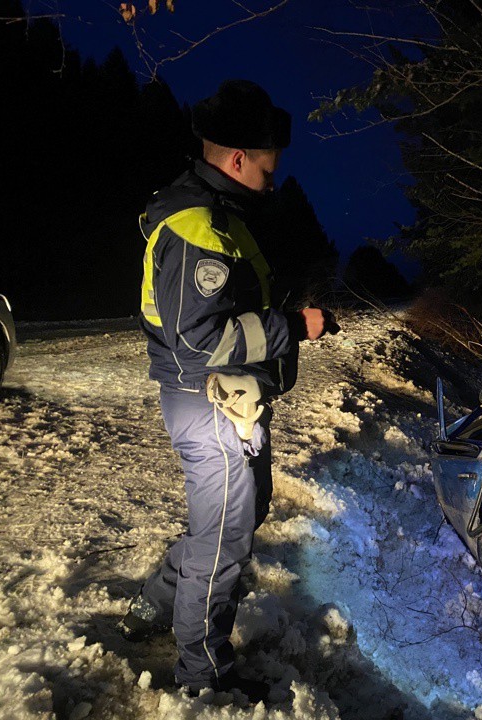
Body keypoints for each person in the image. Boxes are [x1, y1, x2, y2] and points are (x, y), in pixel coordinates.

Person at [119, 79, 332, 703]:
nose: (273, 176)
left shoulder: (212, 213)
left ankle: (154, 604)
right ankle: (203, 675)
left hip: (223, 403)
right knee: (223, 542)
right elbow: (198, 340)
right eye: (269, 165)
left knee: (232, 519)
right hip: (211, 404)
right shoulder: (199, 227)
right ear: (238, 158)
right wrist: (293, 327)